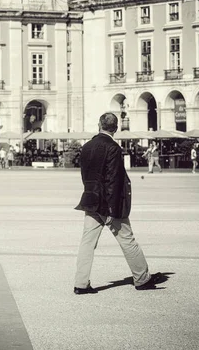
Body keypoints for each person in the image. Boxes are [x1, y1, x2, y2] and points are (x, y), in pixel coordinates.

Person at [73, 112, 165, 294]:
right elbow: (114, 180)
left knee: (87, 243)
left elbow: (85, 175)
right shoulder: (113, 148)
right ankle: (142, 278)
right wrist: (114, 209)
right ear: (115, 129)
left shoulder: (87, 146)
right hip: (108, 203)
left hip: (90, 200)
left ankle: (80, 284)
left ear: (98, 124)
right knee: (128, 240)